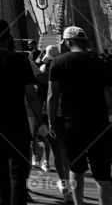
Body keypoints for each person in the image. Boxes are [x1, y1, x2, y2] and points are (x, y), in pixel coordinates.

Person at [0, 19, 42, 205]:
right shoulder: (20, 60)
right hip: (18, 120)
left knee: (0, 165)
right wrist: (41, 121)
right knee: (19, 169)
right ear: (9, 35)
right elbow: (32, 95)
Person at [47, 26, 112, 205]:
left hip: (72, 124)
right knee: (103, 173)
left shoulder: (58, 62)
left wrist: (52, 122)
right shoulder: (101, 62)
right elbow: (109, 93)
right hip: (99, 123)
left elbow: (52, 96)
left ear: (68, 42)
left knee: (76, 168)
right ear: (84, 41)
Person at [39, 44, 72, 202]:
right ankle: (69, 184)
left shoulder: (42, 72)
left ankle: (65, 186)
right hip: (66, 113)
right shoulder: (66, 68)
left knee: (56, 152)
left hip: (49, 114)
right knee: (66, 152)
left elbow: (41, 96)